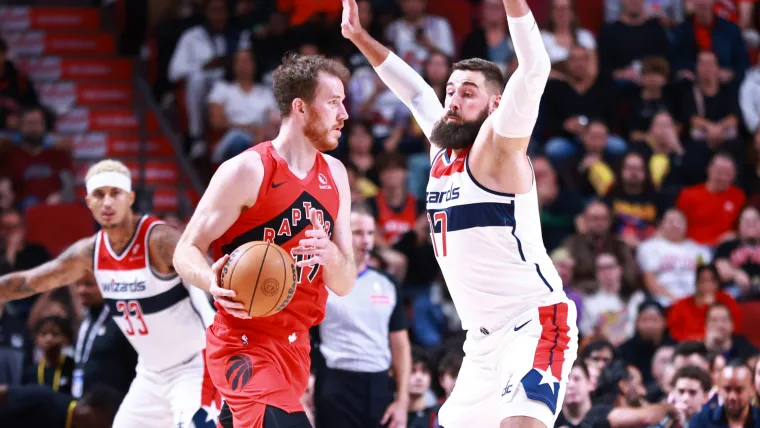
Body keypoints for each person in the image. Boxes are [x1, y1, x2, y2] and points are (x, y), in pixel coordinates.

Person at [342, 0, 578, 427]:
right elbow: (415, 91)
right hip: (481, 343)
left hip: (533, 323)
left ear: (495, 106)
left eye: (467, 93)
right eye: (450, 90)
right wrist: (360, 37)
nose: (451, 100)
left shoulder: (499, 150)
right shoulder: (441, 151)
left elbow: (535, 67)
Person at [173, 54, 355, 428]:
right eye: (333, 102)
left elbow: (345, 282)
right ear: (300, 107)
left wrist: (330, 255)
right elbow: (185, 249)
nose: (344, 114)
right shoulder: (247, 170)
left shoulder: (336, 175)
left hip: (297, 346)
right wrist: (211, 282)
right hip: (243, 341)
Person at [0, 159, 220, 427]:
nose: (107, 202)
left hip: (196, 367)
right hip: (150, 373)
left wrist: (213, 281)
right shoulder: (89, 252)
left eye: (115, 193)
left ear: (130, 197)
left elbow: (198, 264)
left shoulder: (157, 238)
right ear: (88, 201)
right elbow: (32, 280)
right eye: (99, 194)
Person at [314, 202, 411, 428]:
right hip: (335, 384)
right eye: (357, 233)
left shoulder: (387, 283)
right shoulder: (321, 282)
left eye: (369, 233)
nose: (366, 240)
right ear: (341, 234)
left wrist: (403, 400)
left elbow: (400, 345)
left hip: (379, 385)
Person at [0, 382, 122, 427]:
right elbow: (4, 392)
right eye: (109, 423)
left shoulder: (71, 422)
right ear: (98, 412)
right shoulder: (44, 398)